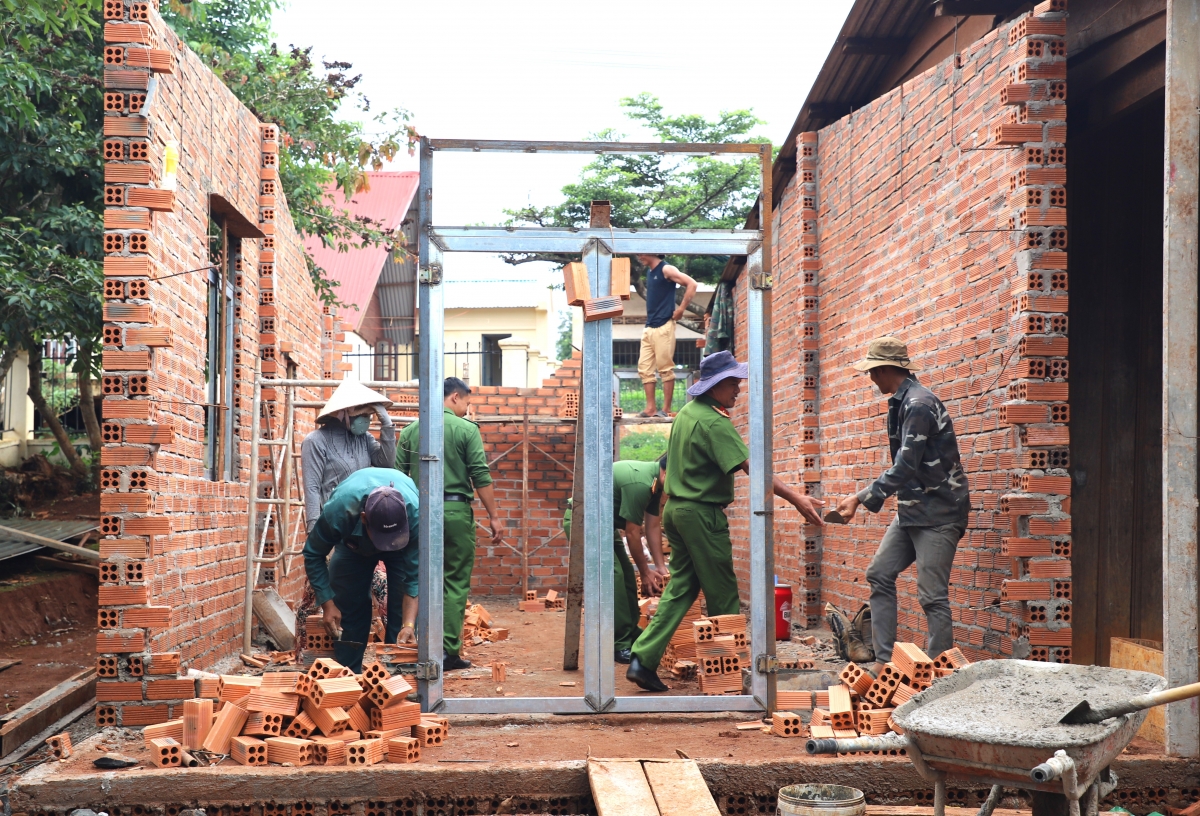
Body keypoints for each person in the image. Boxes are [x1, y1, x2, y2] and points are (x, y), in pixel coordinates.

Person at [626, 351, 825, 691]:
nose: (738, 389)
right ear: (714, 386)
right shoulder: (713, 422)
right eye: (732, 383)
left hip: (677, 511)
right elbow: (752, 467)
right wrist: (796, 498)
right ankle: (732, 676)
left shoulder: (687, 413)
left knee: (682, 588)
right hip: (701, 515)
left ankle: (643, 659)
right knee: (723, 594)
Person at [832, 336, 970, 674]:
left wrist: (859, 498)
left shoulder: (919, 404)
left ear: (883, 369)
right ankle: (883, 663)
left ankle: (940, 676)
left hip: (939, 512)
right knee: (879, 573)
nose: (870, 378)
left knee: (932, 596)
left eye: (871, 371)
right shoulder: (902, 401)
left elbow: (905, 466)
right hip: (913, 508)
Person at [396, 377, 502, 671]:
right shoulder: (466, 429)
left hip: (418, 511)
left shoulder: (410, 431)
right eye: (467, 402)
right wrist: (494, 516)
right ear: (455, 397)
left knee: (418, 576)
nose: (467, 409)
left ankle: (414, 643)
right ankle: (447, 651)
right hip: (455, 511)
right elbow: (480, 475)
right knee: (454, 580)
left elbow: (399, 478)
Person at [303, 467, 419, 672]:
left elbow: (414, 579)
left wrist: (409, 624)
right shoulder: (340, 511)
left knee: (401, 612)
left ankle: (398, 674)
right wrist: (327, 604)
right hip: (353, 546)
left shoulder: (415, 515)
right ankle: (349, 674)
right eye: (382, 537)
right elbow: (313, 553)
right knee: (348, 607)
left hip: (402, 546)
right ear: (364, 518)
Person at [562, 455, 670, 664]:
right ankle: (618, 644)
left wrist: (660, 567)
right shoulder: (641, 483)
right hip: (583, 521)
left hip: (604, 525)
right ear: (666, 473)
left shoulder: (656, 483)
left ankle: (630, 633)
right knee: (614, 578)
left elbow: (652, 526)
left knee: (628, 576)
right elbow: (632, 532)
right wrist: (645, 572)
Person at [302, 379, 397, 533]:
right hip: (334, 522)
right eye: (361, 414)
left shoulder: (365, 438)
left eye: (368, 414)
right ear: (342, 412)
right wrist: (314, 530)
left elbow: (387, 463)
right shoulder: (316, 441)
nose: (365, 419)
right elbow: (312, 487)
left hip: (364, 522)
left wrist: (387, 425)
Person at [635, 253, 697, 417]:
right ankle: (650, 408)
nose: (638, 256)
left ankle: (666, 409)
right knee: (644, 368)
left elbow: (692, 284)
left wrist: (681, 309)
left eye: (641, 253)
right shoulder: (649, 272)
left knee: (665, 368)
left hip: (664, 325)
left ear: (652, 252)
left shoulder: (666, 269)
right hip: (649, 326)